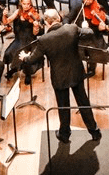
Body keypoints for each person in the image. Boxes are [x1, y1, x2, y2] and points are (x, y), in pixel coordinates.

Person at [19, 9, 101, 143]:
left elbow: (32, 59)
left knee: (63, 106)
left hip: (59, 77)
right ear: (59, 18)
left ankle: (64, 134)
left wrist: (24, 57)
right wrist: (85, 27)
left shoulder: (44, 39)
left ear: (46, 22)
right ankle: (95, 131)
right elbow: (90, 33)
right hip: (76, 73)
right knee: (83, 103)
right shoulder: (72, 28)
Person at [2, 0, 44, 82]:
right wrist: (4, 15)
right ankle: (14, 69)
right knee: (8, 52)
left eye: (29, 4)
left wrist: (35, 27)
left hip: (30, 41)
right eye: (24, 4)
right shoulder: (18, 12)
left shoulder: (34, 14)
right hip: (19, 39)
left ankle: (27, 73)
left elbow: (35, 33)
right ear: (21, 3)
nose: (27, 6)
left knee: (23, 52)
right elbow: (6, 22)